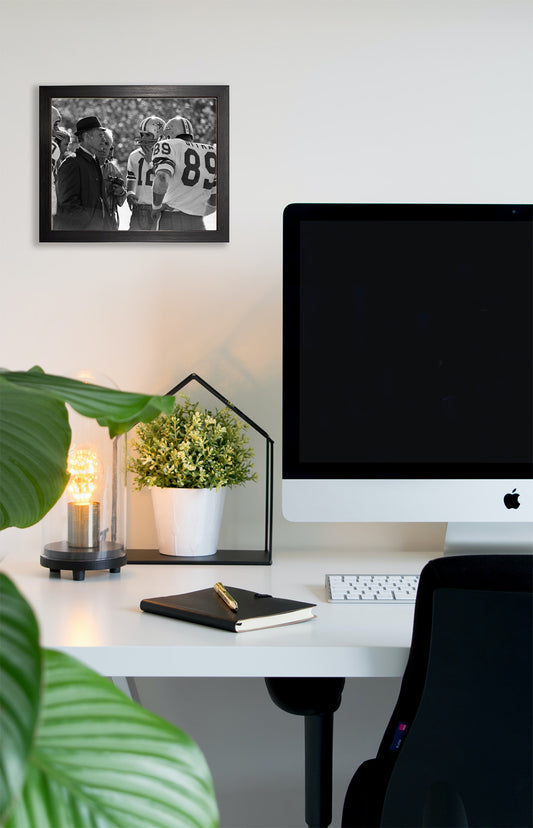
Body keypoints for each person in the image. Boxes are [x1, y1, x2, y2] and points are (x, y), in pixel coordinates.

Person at [151, 116, 217, 231]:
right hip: (197, 222)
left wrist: (156, 207)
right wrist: (193, 210)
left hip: (171, 220)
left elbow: (162, 177)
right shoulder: (211, 151)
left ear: (169, 133)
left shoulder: (167, 145)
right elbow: (213, 203)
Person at [55, 115, 114, 231]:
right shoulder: (71, 164)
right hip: (82, 236)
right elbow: (68, 206)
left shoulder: (94, 161)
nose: (104, 139)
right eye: (100, 135)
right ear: (87, 137)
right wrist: (93, 223)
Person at [126, 116, 165, 230]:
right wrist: (130, 193)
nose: (143, 138)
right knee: (134, 240)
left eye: (148, 135)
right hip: (139, 208)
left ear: (159, 136)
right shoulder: (134, 155)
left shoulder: (166, 156)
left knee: (158, 241)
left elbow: (164, 179)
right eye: (142, 135)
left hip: (159, 209)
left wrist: (151, 161)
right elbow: (131, 177)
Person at [96, 128, 127, 230]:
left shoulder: (114, 170)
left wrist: (121, 192)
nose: (103, 147)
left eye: (107, 144)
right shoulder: (84, 166)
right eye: (100, 143)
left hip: (109, 222)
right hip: (89, 221)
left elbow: (121, 202)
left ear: (111, 149)